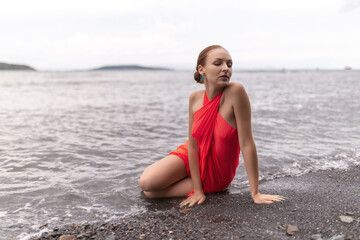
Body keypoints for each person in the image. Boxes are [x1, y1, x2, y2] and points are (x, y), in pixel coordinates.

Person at [138, 45, 284, 207]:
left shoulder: (236, 92)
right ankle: (189, 181)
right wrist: (198, 190)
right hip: (191, 155)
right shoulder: (194, 98)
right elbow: (192, 146)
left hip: (216, 172)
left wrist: (255, 193)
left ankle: (189, 182)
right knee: (146, 183)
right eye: (218, 63)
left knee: (151, 194)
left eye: (229, 65)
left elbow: (247, 143)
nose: (225, 69)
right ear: (202, 69)